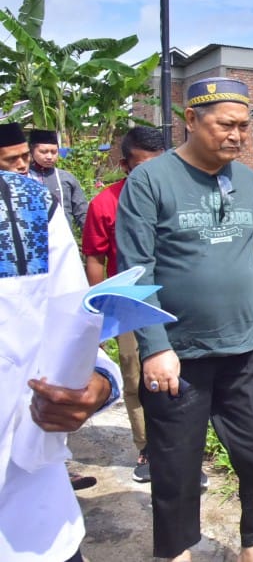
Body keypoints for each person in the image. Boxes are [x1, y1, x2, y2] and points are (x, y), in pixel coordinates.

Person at [116, 78, 253, 562]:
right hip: (178, 354)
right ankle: (177, 549)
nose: (235, 135)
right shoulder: (149, 181)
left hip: (243, 347)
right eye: (224, 125)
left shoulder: (248, 180)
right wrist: (154, 347)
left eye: (243, 126)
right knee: (176, 464)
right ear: (190, 120)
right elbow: (134, 270)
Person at [0, 168, 123, 562]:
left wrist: (95, 384)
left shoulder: (26, 206)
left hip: (29, 517)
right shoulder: (106, 201)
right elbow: (96, 254)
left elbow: (72, 326)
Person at [81, 126, 166, 484]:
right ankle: (147, 448)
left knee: (184, 377)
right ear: (125, 165)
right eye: (141, 167)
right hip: (130, 301)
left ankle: (183, 450)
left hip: (173, 299)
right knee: (136, 377)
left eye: (158, 167)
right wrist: (101, 311)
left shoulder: (174, 198)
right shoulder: (105, 203)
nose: (149, 176)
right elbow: (95, 258)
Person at [27, 129, 88, 231]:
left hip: (63, 238)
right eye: (43, 152)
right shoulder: (23, 178)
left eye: (54, 152)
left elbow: (81, 212)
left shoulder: (66, 178)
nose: (49, 157)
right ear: (31, 152)